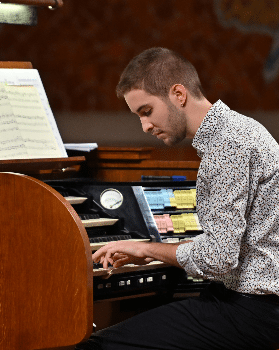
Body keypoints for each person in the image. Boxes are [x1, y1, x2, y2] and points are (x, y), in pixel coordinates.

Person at [75, 47, 279, 350]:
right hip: (252, 302)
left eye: (146, 111)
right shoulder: (240, 130)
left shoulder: (227, 146)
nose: (144, 126)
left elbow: (218, 258)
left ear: (178, 94)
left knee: (96, 346)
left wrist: (146, 249)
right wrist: (149, 252)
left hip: (253, 310)